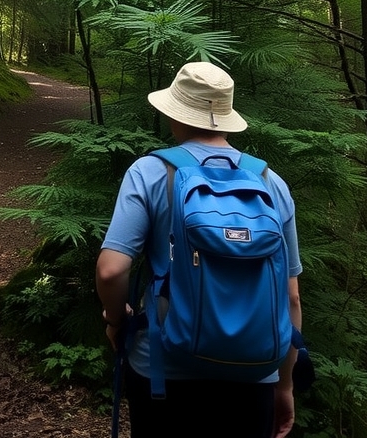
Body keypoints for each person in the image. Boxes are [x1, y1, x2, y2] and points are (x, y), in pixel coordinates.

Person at [96, 62, 303, 438]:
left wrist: (115, 321)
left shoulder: (150, 172)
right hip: (253, 375)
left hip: (163, 370)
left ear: (174, 113)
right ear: (225, 116)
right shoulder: (272, 184)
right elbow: (290, 298)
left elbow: (111, 271)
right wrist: (284, 384)